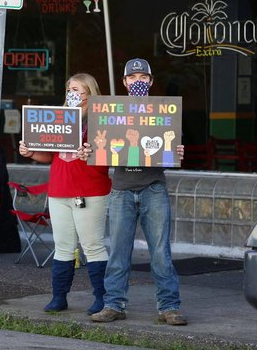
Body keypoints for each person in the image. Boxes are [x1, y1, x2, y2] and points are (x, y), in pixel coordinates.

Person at [84, 58, 187, 326]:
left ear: (151, 81)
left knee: (161, 252)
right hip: (121, 190)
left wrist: (176, 151)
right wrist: (89, 151)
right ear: (125, 82)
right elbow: (100, 146)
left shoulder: (164, 112)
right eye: (133, 77)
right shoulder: (111, 110)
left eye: (143, 77)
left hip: (154, 187)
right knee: (118, 251)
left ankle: (169, 306)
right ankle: (114, 304)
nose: (138, 81)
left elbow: (170, 147)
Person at [18, 73, 111, 314]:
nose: (73, 94)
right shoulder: (59, 119)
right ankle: (59, 297)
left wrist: (91, 154)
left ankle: (103, 298)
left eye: (78, 90)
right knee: (63, 246)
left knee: (92, 246)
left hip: (90, 190)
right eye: (69, 89)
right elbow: (49, 155)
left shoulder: (103, 120)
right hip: (59, 190)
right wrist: (30, 153)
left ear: (90, 93)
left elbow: (110, 159)